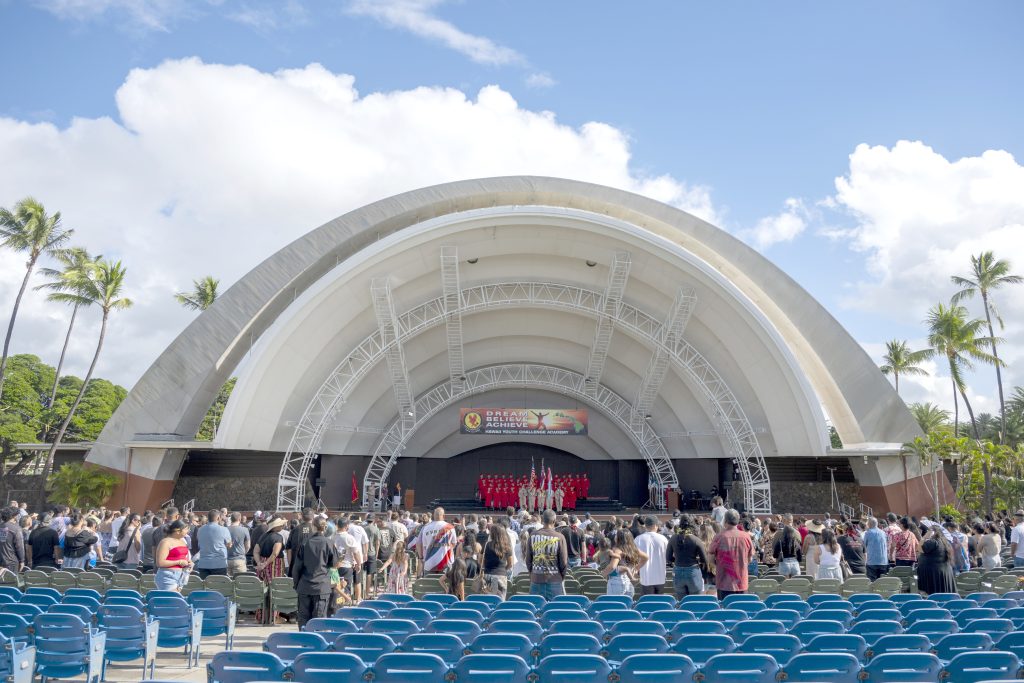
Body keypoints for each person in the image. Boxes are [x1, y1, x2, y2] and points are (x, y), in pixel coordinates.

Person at [291, 517, 339, 629]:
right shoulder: (329, 543)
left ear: (313, 526)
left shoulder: (305, 542)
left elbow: (297, 567)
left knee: (303, 619)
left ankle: (304, 643)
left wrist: (296, 584)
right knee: (319, 620)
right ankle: (316, 644)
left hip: (305, 585)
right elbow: (334, 565)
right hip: (322, 586)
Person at [708, 509, 753, 600]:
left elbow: (710, 559)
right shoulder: (746, 537)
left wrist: (720, 566)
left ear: (725, 520)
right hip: (741, 582)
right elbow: (750, 559)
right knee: (741, 611)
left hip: (724, 583)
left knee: (725, 611)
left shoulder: (719, 537)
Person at [525, 509, 568, 599]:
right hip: (555, 580)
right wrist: (561, 577)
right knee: (554, 611)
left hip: (536, 580)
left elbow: (528, 560)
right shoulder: (560, 537)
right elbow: (563, 562)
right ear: (554, 521)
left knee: (536, 611)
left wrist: (533, 574)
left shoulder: (532, 536)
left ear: (542, 520)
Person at [254, 517, 287, 624]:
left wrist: (260, 563)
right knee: (275, 590)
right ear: (276, 526)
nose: (282, 526)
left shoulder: (263, 536)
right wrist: (266, 564)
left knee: (261, 591)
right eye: (281, 525)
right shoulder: (278, 537)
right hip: (274, 565)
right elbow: (275, 554)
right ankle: (274, 617)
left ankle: (260, 617)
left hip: (262, 564)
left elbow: (256, 551)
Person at [667, 515, 707, 598]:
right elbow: (704, 560)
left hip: (678, 571)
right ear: (692, 525)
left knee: (682, 602)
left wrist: (677, 559)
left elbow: (668, 558)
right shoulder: (696, 540)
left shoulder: (673, 538)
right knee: (695, 602)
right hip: (693, 572)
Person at [410, 507, 457, 575]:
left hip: (429, 562)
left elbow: (420, 543)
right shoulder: (450, 527)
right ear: (444, 516)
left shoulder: (425, 527)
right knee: (445, 584)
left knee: (428, 583)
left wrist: (420, 558)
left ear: (433, 516)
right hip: (446, 562)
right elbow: (454, 543)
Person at [603, 529, 648, 597]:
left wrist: (603, 574)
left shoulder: (617, 550)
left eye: (616, 535)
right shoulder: (634, 550)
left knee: (614, 606)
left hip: (616, 583)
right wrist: (637, 568)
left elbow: (612, 566)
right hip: (629, 584)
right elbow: (646, 557)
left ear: (619, 538)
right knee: (626, 606)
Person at [917, 524, 957, 595]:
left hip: (934, 573)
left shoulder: (933, 542)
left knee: (935, 595)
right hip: (944, 572)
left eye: (928, 530)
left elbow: (919, 548)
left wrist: (924, 537)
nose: (927, 532)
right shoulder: (945, 542)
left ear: (933, 532)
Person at [154, 520, 192, 592]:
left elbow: (184, 557)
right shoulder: (165, 542)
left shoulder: (183, 541)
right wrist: (179, 562)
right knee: (172, 600)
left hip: (181, 575)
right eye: (186, 529)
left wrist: (190, 563)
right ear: (177, 531)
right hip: (168, 575)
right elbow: (160, 563)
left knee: (175, 600)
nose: (188, 531)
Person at [195, 510, 233, 579]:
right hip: (219, 564)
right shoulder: (224, 529)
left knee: (205, 588)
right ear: (218, 518)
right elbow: (229, 544)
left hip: (203, 563)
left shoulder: (200, 530)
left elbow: (199, 544)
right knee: (218, 588)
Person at [635, 515, 668, 595]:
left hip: (646, 578)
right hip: (660, 577)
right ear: (655, 525)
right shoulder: (663, 539)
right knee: (659, 604)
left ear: (645, 526)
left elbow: (634, 558)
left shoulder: (638, 539)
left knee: (647, 604)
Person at [481, 523, 512, 599]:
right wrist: (504, 569)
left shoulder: (487, 545)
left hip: (488, 575)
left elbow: (480, 561)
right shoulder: (506, 546)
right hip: (501, 576)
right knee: (499, 601)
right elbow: (510, 564)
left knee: (488, 601)